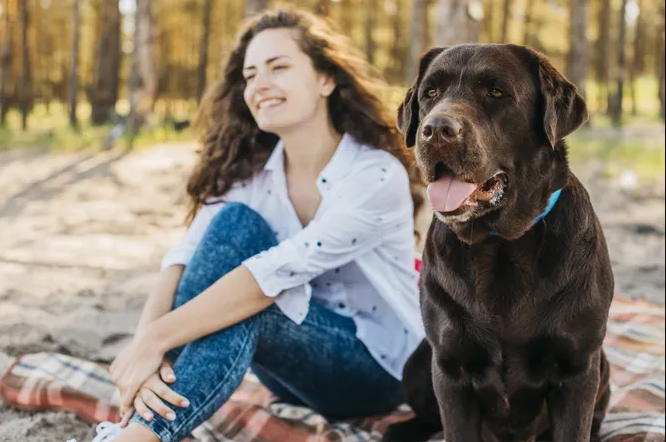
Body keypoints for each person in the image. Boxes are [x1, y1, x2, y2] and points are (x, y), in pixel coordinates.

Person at [70, 7, 426, 442]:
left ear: (325, 80)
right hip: (290, 368)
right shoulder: (256, 175)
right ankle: (140, 424)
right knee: (234, 224)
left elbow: (268, 279)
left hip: (378, 373)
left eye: (279, 67)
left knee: (252, 302)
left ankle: (137, 437)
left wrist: (158, 339)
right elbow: (184, 257)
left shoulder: (375, 176)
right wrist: (147, 344)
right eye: (251, 74)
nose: (259, 85)